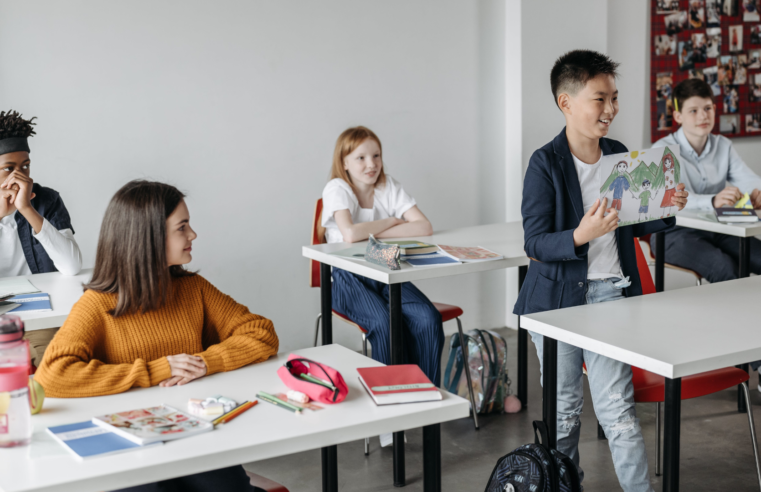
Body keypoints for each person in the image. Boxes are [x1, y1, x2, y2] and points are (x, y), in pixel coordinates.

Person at [513, 50, 688, 492]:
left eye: (614, 98)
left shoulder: (617, 156)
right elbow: (534, 244)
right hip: (554, 303)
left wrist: (666, 208)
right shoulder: (544, 163)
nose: (610, 109)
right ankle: (563, 487)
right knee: (565, 411)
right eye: (599, 99)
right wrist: (580, 234)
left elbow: (633, 220)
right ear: (565, 102)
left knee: (619, 412)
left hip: (610, 296)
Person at [35, 180, 278, 491]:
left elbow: (261, 332)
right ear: (149, 237)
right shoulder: (98, 304)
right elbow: (52, 376)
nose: (193, 235)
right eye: (182, 227)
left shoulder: (193, 289)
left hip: (193, 433)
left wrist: (204, 362)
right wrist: (156, 370)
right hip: (128, 444)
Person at [321, 127, 441, 380]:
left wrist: (373, 233)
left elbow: (424, 227)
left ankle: (425, 393)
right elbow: (350, 234)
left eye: (376, 156)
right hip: (346, 279)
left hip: (386, 271)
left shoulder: (388, 186)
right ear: (344, 162)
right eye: (361, 158)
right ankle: (390, 397)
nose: (371, 164)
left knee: (427, 318)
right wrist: (391, 221)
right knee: (384, 323)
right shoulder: (337, 188)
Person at [652, 78, 761, 275]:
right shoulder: (662, 150)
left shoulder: (723, 145)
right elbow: (671, 198)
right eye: (693, 110)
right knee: (726, 268)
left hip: (718, 226)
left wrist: (757, 192)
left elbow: (748, 179)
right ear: (678, 116)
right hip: (673, 233)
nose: (703, 116)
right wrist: (712, 200)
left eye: (708, 108)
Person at [0, 110, 82, 368]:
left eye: (25, 166)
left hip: (37, 314)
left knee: (53, 364)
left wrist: (28, 210)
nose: (19, 177)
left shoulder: (46, 200)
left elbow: (71, 266)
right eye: (8, 169)